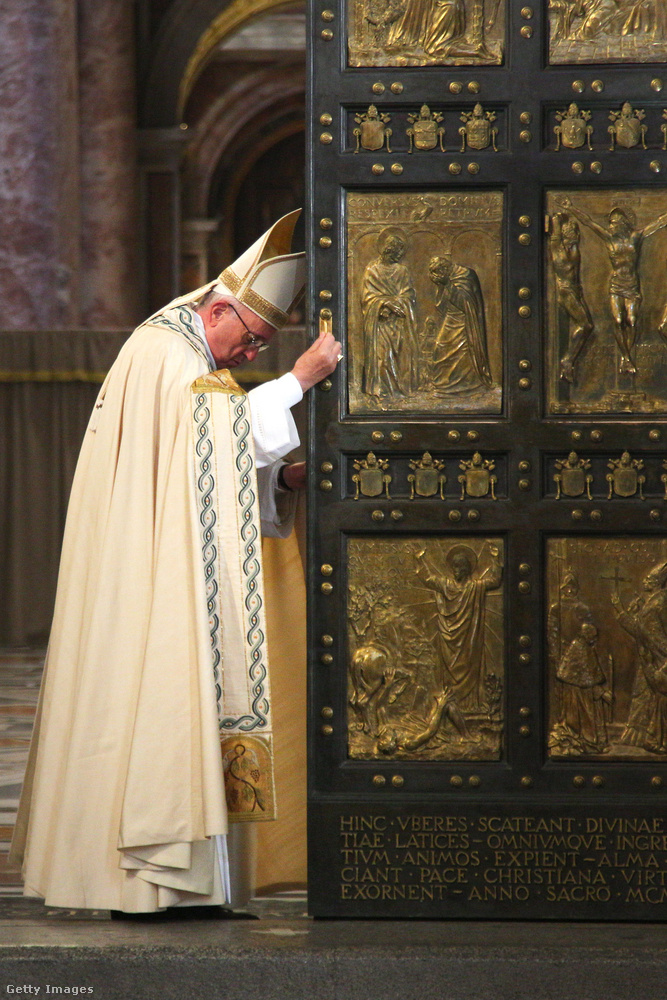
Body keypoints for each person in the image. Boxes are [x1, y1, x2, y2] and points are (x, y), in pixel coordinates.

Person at [9, 210, 341, 915]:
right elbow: (209, 434)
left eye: (260, 347)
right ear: (218, 309)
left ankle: (186, 887)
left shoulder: (189, 353)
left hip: (165, 559)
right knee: (161, 697)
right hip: (149, 578)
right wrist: (299, 379)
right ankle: (146, 883)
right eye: (250, 339)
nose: (250, 355)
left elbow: (199, 471)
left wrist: (278, 482)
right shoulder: (166, 351)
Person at [559, 197, 667, 375]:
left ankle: (626, 357)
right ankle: (626, 358)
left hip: (632, 285)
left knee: (631, 321)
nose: (610, 226)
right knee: (618, 321)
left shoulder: (635, 237)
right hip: (616, 285)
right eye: (609, 223)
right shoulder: (609, 239)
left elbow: (658, 223)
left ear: (623, 223)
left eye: (613, 223)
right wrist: (571, 208)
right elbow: (589, 223)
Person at [415, 544, 502, 713]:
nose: (456, 570)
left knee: (470, 669)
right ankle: (450, 708)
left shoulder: (475, 587)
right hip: (449, 639)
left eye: (460, 567)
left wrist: (496, 559)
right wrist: (420, 560)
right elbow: (427, 579)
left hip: (469, 638)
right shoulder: (446, 585)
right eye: (454, 567)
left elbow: (495, 581)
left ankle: (470, 706)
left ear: (467, 569)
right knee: (449, 674)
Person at [361, 228, 418, 401]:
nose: (398, 256)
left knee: (399, 357)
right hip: (380, 323)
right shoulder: (372, 271)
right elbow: (367, 297)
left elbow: (408, 294)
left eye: (400, 253)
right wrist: (384, 304)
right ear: (387, 250)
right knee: (382, 357)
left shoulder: (402, 271)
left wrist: (397, 305)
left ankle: (399, 390)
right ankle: (383, 391)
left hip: (398, 322)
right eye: (395, 252)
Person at [427, 254, 493, 394]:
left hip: (465, 321)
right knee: (440, 346)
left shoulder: (466, 275)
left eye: (437, 272)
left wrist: (447, 284)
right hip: (451, 317)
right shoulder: (447, 277)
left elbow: (466, 303)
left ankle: (467, 385)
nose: (437, 275)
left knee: (463, 352)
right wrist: (441, 285)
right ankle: (443, 384)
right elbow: (441, 305)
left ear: (444, 269)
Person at [549, 213, 594, 383]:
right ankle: (567, 360)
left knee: (586, 325)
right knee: (586, 325)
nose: (577, 235)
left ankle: (568, 360)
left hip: (575, 290)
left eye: (577, 232)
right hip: (566, 291)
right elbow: (554, 238)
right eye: (573, 232)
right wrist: (556, 221)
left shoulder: (573, 248)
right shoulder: (559, 251)